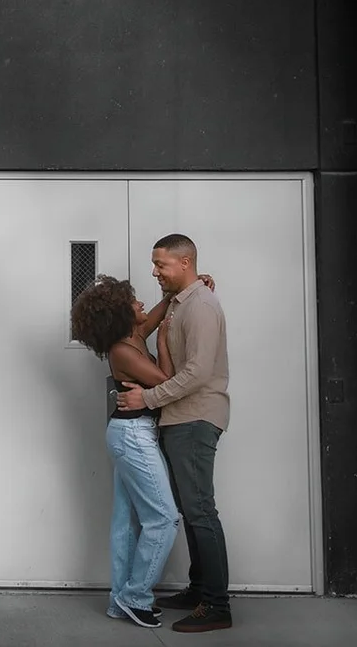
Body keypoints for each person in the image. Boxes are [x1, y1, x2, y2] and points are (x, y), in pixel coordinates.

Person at [70, 271, 212, 629]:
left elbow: (157, 312)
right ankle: (136, 596)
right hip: (132, 435)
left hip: (130, 432)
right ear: (120, 314)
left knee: (127, 522)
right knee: (163, 518)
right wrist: (164, 344)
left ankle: (121, 601)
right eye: (134, 302)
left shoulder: (133, 334)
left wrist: (184, 288)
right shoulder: (124, 350)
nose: (142, 304)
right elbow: (168, 382)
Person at [116, 233, 232, 633]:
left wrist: (147, 399)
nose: (155, 271)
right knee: (192, 508)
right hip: (179, 419)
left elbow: (197, 373)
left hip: (195, 419)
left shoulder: (200, 305)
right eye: (154, 264)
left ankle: (217, 605)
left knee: (200, 512)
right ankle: (200, 590)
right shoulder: (183, 303)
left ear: (185, 263)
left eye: (161, 264)